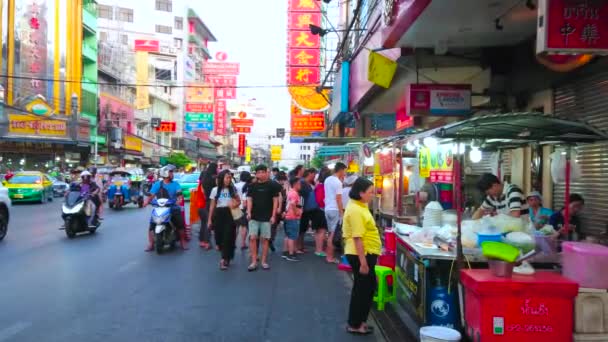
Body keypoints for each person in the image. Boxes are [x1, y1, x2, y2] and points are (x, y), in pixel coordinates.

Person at [343, 177, 381, 335]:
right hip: (361, 254)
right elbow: (357, 238)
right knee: (362, 290)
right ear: (361, 193)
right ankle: (355, 323)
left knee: (368, 287)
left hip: (366, 253)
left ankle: (360, 321)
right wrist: (363, 263)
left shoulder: (360, 205)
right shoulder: (356, 210)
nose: (372, 195)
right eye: (370, 192)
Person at [143, 165, 188, 251]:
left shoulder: (175, 184)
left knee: (180, 224)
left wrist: (179, 200)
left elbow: (179, 194)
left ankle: (183, 242)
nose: (172, 174)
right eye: (171, 172)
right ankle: (151, 244)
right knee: (151, 225)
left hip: (173, 208)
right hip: (159, 208)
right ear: (166, 173)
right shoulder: (157, 184)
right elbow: (151, 196)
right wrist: (146, 202)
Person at [246, 165, 279, 271]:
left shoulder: (272, 185)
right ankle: (254, 261)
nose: (260, 174)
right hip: (254, 216)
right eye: (258, 172)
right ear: (256, 174)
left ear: (266, 173)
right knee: (252, 238)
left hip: (267, 217)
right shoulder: (252, 186)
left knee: (265, 239)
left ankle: (264, 261)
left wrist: (273, 215)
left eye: (262, 172)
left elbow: (275, 201)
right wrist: (248, 212)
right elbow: (249, 199)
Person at [207, 170, 241, 270]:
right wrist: (209, 219)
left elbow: (239, 201)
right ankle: (227, 255)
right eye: (227, 177)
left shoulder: (233, 189)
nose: (228, 179)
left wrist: (235, 204)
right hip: (218, 214)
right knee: (219, 237)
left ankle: (223, 259)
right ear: (222, 178)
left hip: (230, 214)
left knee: (228, 236)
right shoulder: (215, 190)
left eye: (230, 177)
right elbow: (212, 206)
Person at [324, 162, 347, 263]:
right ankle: (330, 257)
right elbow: (339, 199)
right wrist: (342, 214)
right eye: (345, 171)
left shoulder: (327, 179)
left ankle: (329, 256)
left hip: (328, 209)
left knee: (330, 233)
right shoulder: (338, 183)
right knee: (333, 235)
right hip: (335, 209)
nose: (345, 173)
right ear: (341, 170)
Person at [299, 168, 321, 254]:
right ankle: (298, 247)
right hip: (303, 210)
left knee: (303, 229)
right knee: (301, 229)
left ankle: (301, 246)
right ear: (310, 173)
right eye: (314, 174)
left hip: (308, 210)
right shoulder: (303, 183)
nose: (315, 176)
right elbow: (301, 197)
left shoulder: (308, 183)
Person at [283, 177, 303, 262]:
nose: (300, 185)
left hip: (288, 216)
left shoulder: (290, 192)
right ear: (295, 184)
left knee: (288, 235)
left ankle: (285, 252)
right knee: (292, 236)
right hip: (293, 217)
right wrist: (297, 213)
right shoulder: (294, 193)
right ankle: (291, 254)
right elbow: (292, 204)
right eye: (299, 183)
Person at [198, 163, 218, 249]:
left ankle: (202, 241)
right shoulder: (214, 179)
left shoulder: (203, 178)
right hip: (210, 202)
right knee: (208, 222)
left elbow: (201, 189)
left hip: (201, 202)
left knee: (203, 223)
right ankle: (207, 242)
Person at [313, 167, 331, 255]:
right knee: (322, 231)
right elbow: (320, 200)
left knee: (318, 231)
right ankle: (319, 250)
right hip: (321, 211)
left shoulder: (319, 186)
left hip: (317, 211)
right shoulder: (322, 187)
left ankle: (318, 249)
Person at [235, 171, 253, 250]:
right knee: (244, 226)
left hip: (236, 207)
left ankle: (233, 242)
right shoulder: (249, 186)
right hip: (245, 207)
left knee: (236, 226)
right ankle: (243, 243)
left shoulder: (235, 185)